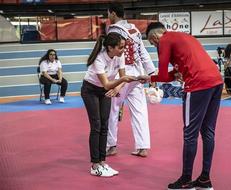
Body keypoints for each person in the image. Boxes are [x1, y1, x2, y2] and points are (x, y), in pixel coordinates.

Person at [138, 22, 223, 190]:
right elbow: (173, 75)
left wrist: (151, 78)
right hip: (216, 81)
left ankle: (185, 180)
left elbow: (163, 75)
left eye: (152, 43)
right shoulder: (184, 37)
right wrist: (151, 78)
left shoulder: (163, 41)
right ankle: (205, 179)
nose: (155, 45)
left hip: (198, 85)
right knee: (208, 132)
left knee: (190, 134)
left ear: (154, 37)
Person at [81, 33, 137, 177]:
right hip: (91, 90)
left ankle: (102, 162)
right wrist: (121, 81)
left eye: (123, 47)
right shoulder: (99, 59)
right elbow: (107, 83)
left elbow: (121, 80)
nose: (123, 50)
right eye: (120, 47)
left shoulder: (120, 56)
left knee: (105, 125)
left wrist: (117, 87)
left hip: (106, 90)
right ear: (110, 48)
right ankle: (95, 165)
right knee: (96, 126)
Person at [106, 3, 156, 157]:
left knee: (112, 110)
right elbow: (143, 52)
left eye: (108, 13)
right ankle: (142, 147)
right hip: (137, 74)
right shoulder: (134, 29)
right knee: (140, 110)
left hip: (121, 75)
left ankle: (111, 145)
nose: (108, 16)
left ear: (113, 14)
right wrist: (152, 73)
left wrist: (109, 80)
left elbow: (112, 56)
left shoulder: (113, 31)